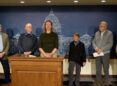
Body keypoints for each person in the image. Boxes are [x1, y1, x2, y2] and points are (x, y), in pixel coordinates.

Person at [92, 21, 113, 86]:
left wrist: (102, 49)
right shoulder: (96, 33)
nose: (100, 27)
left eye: (102, 26)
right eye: (100, 26)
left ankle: (107, 82)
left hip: (105, 53)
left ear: (106, 27)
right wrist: (96, 48)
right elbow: (93, 42)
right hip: (97, 53)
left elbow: (110, 43)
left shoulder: (110, 33)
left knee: (106, 68)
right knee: (98, 69)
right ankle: (98, 82)